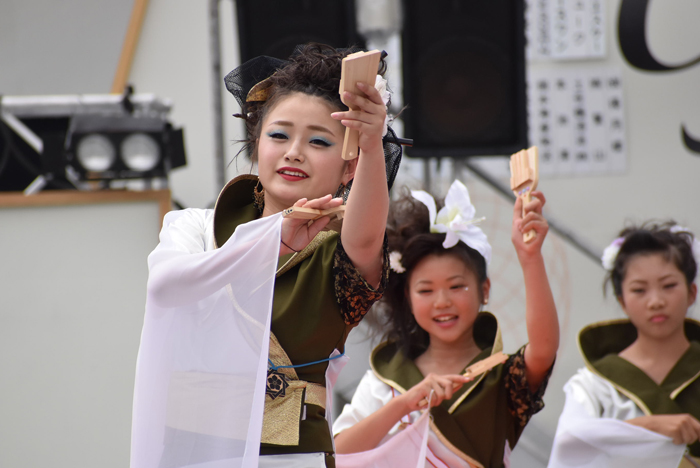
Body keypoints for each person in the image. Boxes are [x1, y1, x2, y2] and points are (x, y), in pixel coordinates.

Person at [130, 43, 404, 468]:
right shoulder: (193, 227)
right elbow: (166, 287)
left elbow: (367, 240)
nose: (295, 151)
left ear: (348, 166)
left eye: (318, 141)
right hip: (190, 452)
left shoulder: (339, 251)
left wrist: (370, 144)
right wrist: (272, 239)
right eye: (279, 134)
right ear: (257, 144)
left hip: (291, 456)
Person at [332, 179, 559, 468]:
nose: (442, 302)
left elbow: (543, 350)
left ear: (484, 289)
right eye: (426, 290)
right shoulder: (386, 378)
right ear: (408, 297)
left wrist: (530, 257)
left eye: (457, 287)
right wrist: (403, 404)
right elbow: (337, 453)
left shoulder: (502, 375)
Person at [548, 222, 700, 468]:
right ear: (622, 301)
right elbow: (569, 448)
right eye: (639, 290)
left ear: (692, 292)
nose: (656, 301)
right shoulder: (593, 385)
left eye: (669, 286)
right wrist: (649, 427)